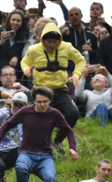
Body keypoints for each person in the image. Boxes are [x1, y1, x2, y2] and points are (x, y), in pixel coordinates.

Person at [0, 86, 78, 182]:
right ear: (34, 101)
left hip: (45, 157)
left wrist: (72, 147)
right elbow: (7, 124)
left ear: (49, 101)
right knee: (20, 168)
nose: (42, 104)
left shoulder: (54, 114)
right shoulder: (26, 112)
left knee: (50, 179)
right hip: (26, 153)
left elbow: (68, 130)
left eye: (45, 101)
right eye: (39, 102)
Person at [21, 22, 84, 155]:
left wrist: (76, 75)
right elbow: (24, 61)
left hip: (60, 89)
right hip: (41, 91)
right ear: (43, 40)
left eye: (55, 42)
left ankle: (58, 140)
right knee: (38, 119)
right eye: (49, 42)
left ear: (59, 40)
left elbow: (80, 60)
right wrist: (26, 68)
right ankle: (37, 148)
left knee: (73, 113)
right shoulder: (34, 49)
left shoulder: (67, 47)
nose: (52, 45)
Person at [0, 9, 28, 87]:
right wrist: (1, 42)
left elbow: (23, 55)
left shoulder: (22, 39)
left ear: (22, 23)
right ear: (9, 20)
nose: (15, 22)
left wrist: (17, 57)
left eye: (18, 21)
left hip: (9, 77)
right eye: (13, 20)